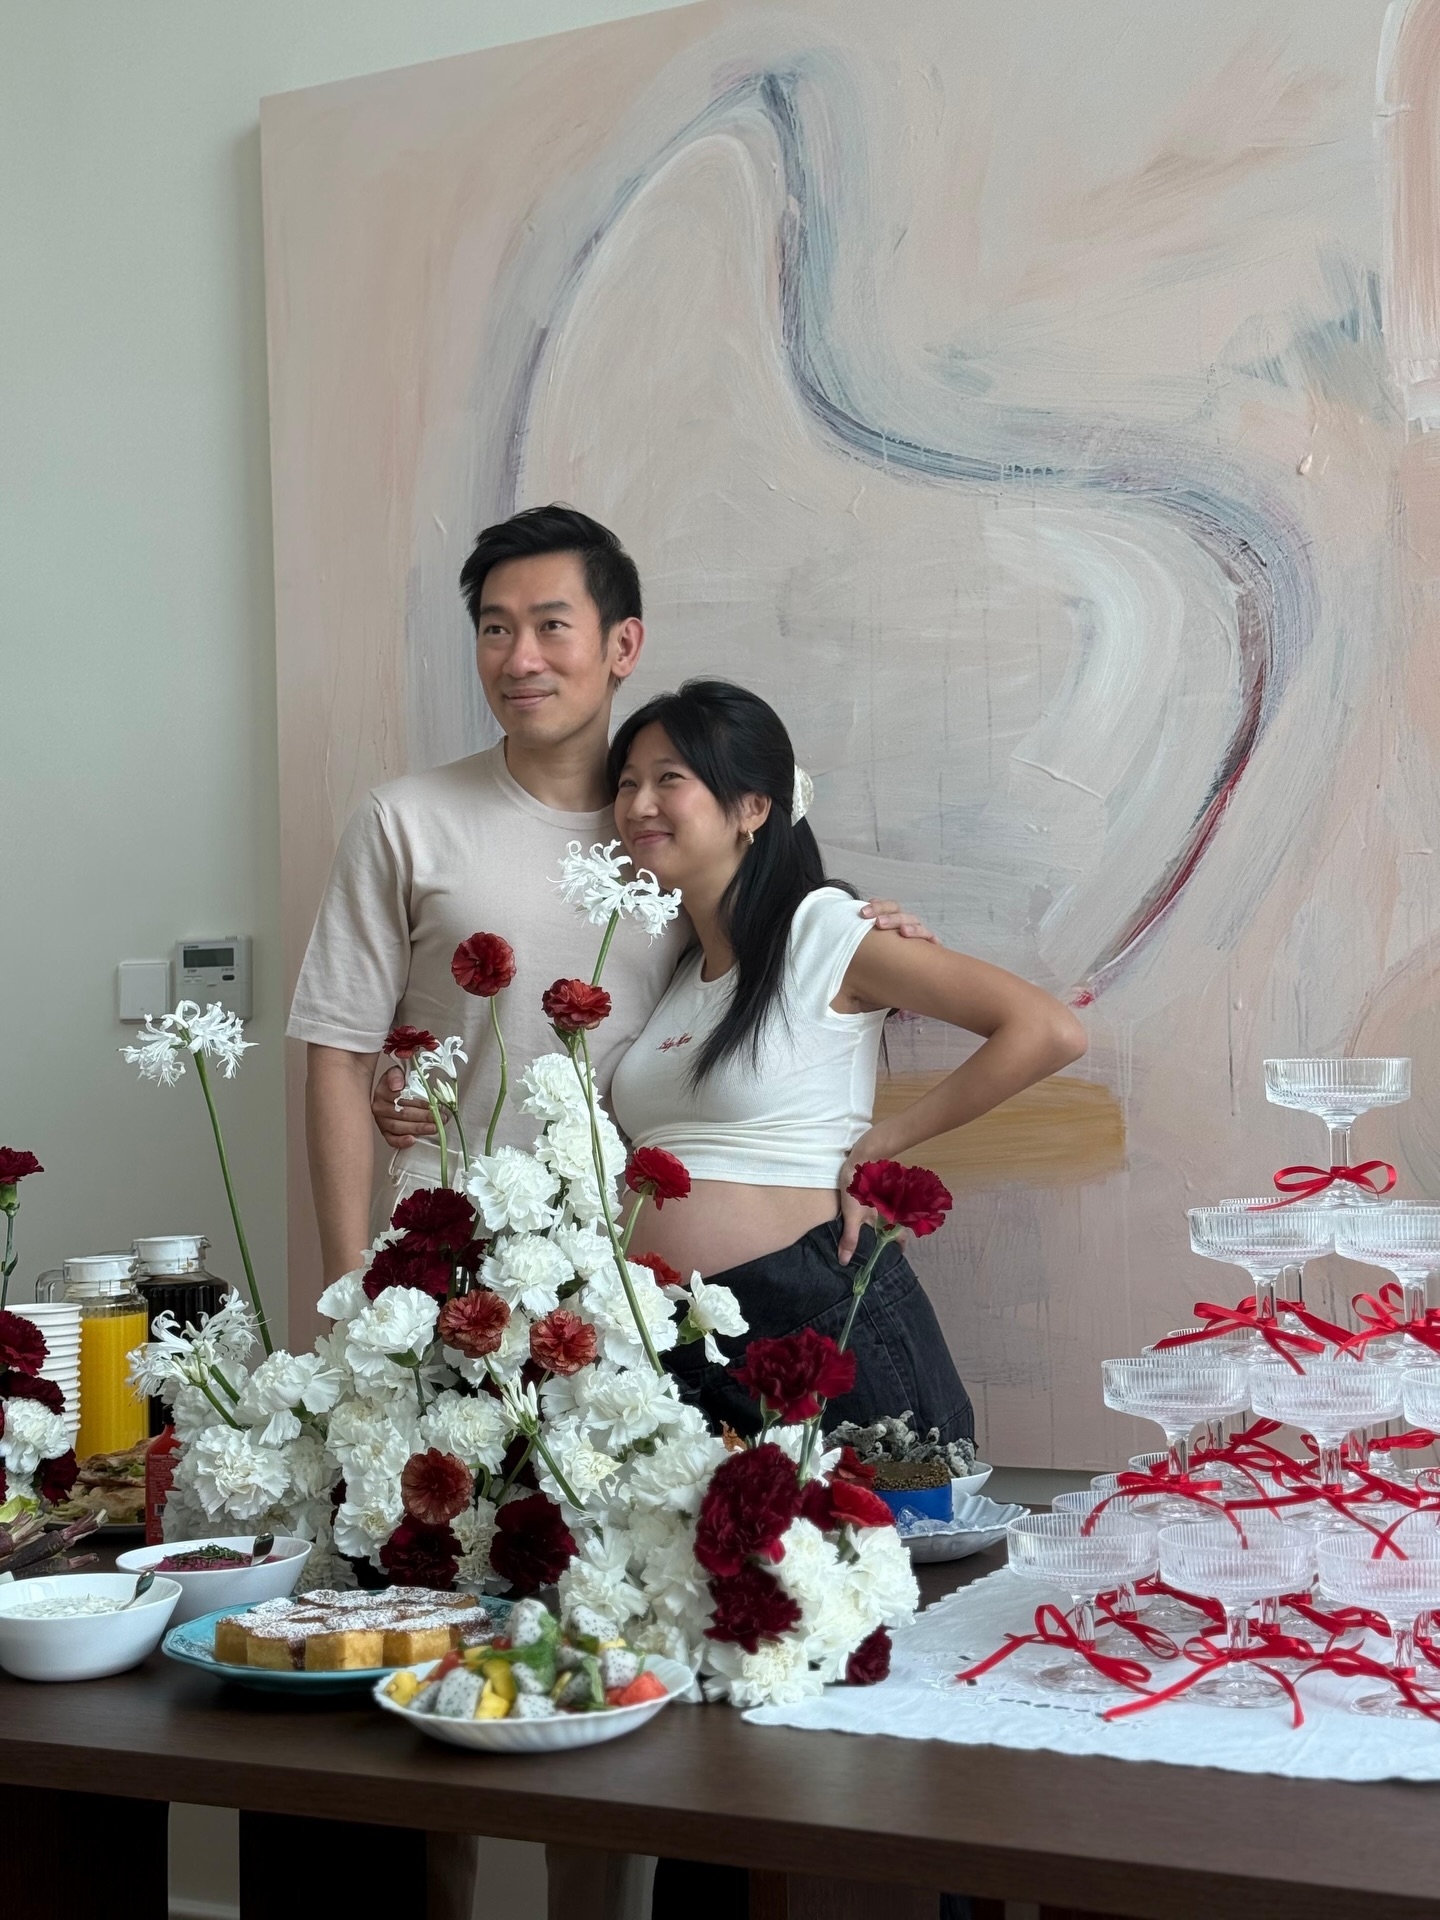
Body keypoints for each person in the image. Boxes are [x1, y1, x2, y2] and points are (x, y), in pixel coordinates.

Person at [606, 678, 1089, 1440]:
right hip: (677, 1350)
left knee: (898, 1515)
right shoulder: (678, 973)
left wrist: (882, 1146)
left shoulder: (823, 928)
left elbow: (1045, 1029)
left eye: (669, 778)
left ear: (752, 807)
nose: (638, 804)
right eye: (627, 783)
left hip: (813, 1324)